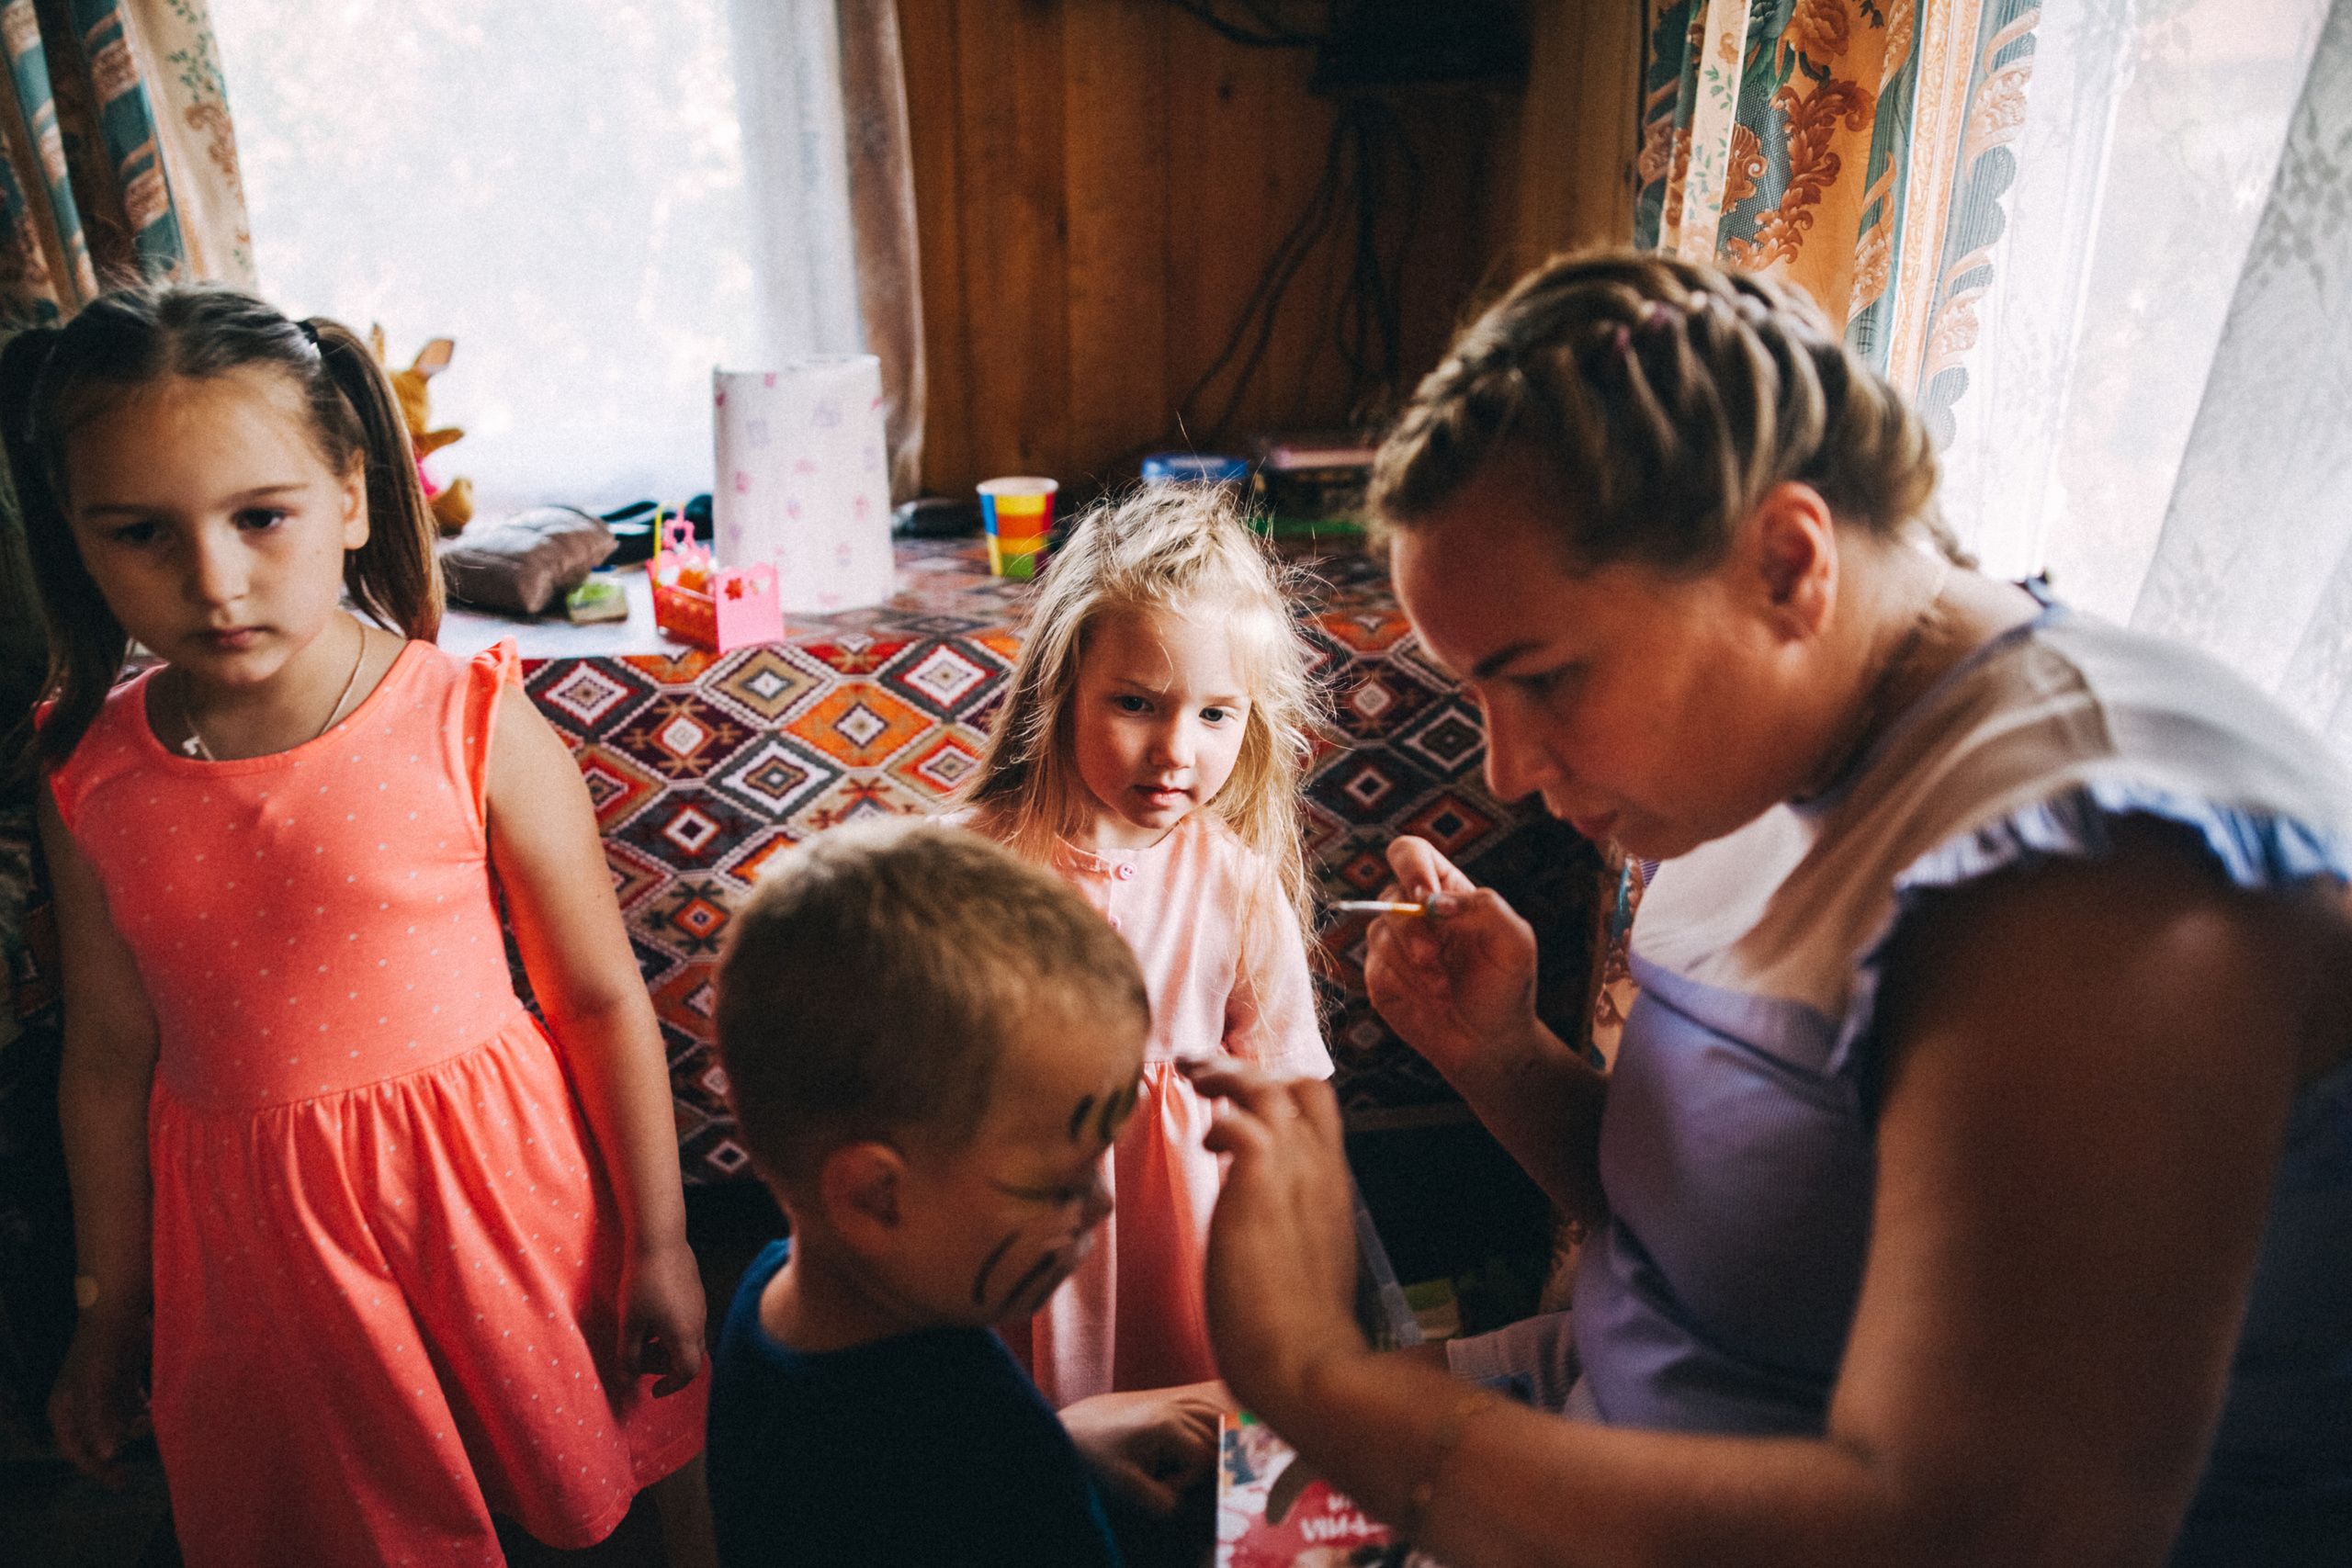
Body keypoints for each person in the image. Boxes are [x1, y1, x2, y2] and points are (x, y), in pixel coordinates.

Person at [1186, 249, 2352, 1567]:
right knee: (1067, 1456)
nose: (1507, 768)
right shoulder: (1787, 751)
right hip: (1608, 1409)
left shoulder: (2087, 872)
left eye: (1547, 678)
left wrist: (1325, 1379)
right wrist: (1500, 1054)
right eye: (1479, 699)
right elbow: (1749, 1242)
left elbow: (1976, 1531)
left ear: (1788, 562)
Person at [9, 285, 709, 1565]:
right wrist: (108, 1305)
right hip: (254, 1252)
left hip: (494, 1206)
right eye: (141, 533)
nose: (213, 580)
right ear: (77, 533)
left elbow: (599, 998)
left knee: (571, 1500)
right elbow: (107, 1057)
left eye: (260, 517)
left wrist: (658, 1237)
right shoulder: (89, 778)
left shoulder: (469, 720)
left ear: (352, 496)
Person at [704, 818, 1224, 1566]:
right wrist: (1038, 1467)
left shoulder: (772, 1289)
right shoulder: (972, 1438)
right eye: (1061, 1183)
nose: (1100, 1206)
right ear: (877, 1196)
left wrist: (1059, 1445)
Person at [951, 485, 1333, 1407]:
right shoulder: (968, 866)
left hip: (1190, 1249)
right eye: (1135, 703)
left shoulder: (1235, 884)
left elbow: (1294, 1100)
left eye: (1214, 714)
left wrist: (1311, 1294)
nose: (1175, 751)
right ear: (1061, 685)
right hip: (1009, 1235)